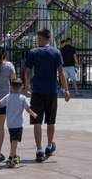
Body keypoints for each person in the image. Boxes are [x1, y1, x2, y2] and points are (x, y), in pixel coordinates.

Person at [24, 28, 70, 163]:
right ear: (49, 38)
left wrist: (27, 85)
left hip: (37, 91)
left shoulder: (33, 52)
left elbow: (28, 71)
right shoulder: (56, 52)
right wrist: (66, 89)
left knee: (37, 120)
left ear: (39, 38)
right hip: (51, 91)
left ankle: (38, 150)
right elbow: (61, 71)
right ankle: (49, 146)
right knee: (51, 120)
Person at [0, 78, 38, 168]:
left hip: (9, 123)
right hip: (18, 124)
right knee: (15, 141)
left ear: (11, 88)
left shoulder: (8, 97)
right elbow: (28, 109)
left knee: (12, 140)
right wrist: (33, 114)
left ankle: (14, 156)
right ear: (21, 88)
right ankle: (10, 158)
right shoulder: (22, 98)